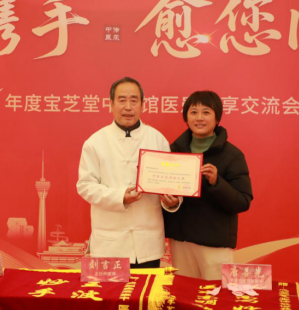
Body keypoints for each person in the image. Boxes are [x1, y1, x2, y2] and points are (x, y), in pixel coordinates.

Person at [77, 77, 180, 268]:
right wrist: (120, 197)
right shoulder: (95, 142)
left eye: (134, 100)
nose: (128, 107)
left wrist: (172, 201)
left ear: (143, 105)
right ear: (111, 104)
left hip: (148, 243)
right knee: (110, 289)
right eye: (122, 100)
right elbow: (85, 186)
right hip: (109, 244)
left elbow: (170, 183)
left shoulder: (157, 139)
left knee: (146, 288)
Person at [164, 91, 253, 280]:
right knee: (184, 294)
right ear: (186, 117)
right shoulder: (173, 151)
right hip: (181, 241)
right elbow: (165, 192)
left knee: (215, 296)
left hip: (215, 244)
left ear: (217, 118)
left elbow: (242, 201)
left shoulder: (232, 155)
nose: (199, 118)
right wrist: (170, 203)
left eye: (206, 112)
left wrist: (216, 182)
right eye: (193, 112)